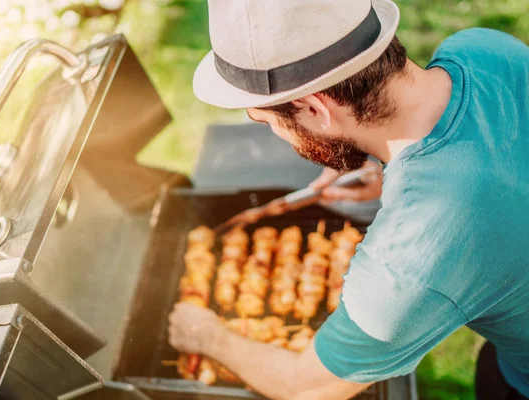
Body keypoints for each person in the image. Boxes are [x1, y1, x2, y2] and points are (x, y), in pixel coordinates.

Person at [167, 0, 529, 399]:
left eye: (266, 121)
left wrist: (209, 338)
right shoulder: (482, 48)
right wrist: (389, 173)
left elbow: (309, 388)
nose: (277, 135)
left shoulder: (412, 256)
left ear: (316, 109)